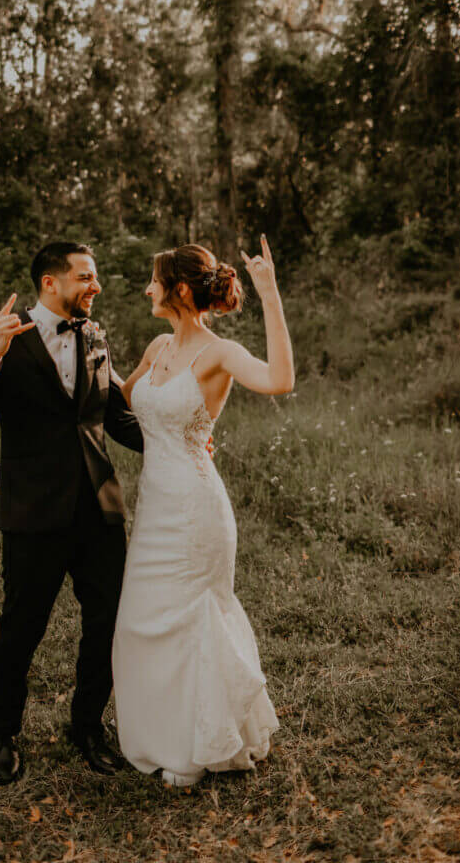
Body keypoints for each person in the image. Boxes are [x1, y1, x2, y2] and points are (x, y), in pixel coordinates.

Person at [0, 242, 143, 785]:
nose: (94, 285)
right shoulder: (7, 337)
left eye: (94, 276)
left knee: (106, 621)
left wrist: (181, 443)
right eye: (85, 276)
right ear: (51, 282)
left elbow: (117, 419)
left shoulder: (96, 335)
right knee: (21, 627)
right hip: (33, 511)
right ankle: (4, 734)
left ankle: (87, 727)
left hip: (99, 507)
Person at [111, 235, 293, 787]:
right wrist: (85, 356)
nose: (147, 289)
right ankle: (162, 737)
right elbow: (121, 399)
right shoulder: (157, 347)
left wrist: (269, 293)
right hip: (154, 511)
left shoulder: (218, 353)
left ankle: (196, 749)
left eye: (155, 281)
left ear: (180, 289)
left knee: (192, 617)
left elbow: (280, 380)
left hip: (195, 509)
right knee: (142, 622)